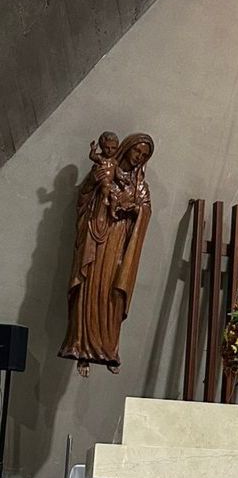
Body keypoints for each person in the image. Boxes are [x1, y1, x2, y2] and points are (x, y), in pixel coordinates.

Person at [59, 133, 155, 375]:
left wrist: (135, 209)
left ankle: (108, 349)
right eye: (137, 152)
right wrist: (93, 182)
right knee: (90, 287)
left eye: (144, 156)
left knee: (112, 293)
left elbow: (145, 212)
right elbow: (83, 200)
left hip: (119, 242)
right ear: (126, 148)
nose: (138, 158)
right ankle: (80, 346)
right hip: (97, 236)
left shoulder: (140, 186)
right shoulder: (103, 169)